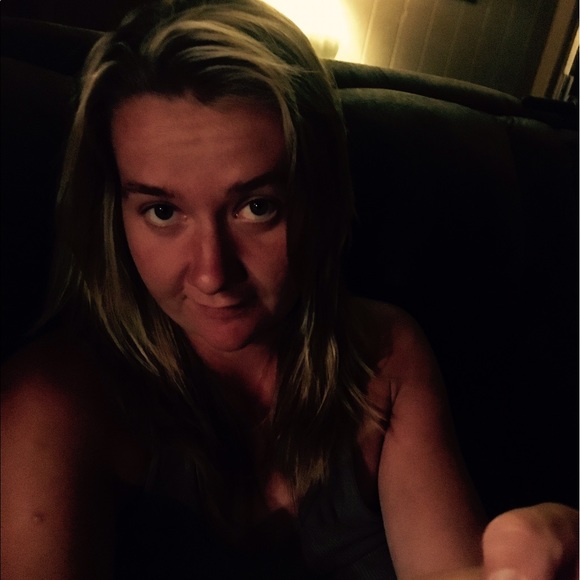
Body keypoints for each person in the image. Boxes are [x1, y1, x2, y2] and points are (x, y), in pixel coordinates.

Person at [1, 1, 578, 578]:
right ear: (113, 213)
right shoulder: (54, 402)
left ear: (320, 198)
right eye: (162, 211)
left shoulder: (384, 355)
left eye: (257, 207)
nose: (212, 274)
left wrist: (522, 562)